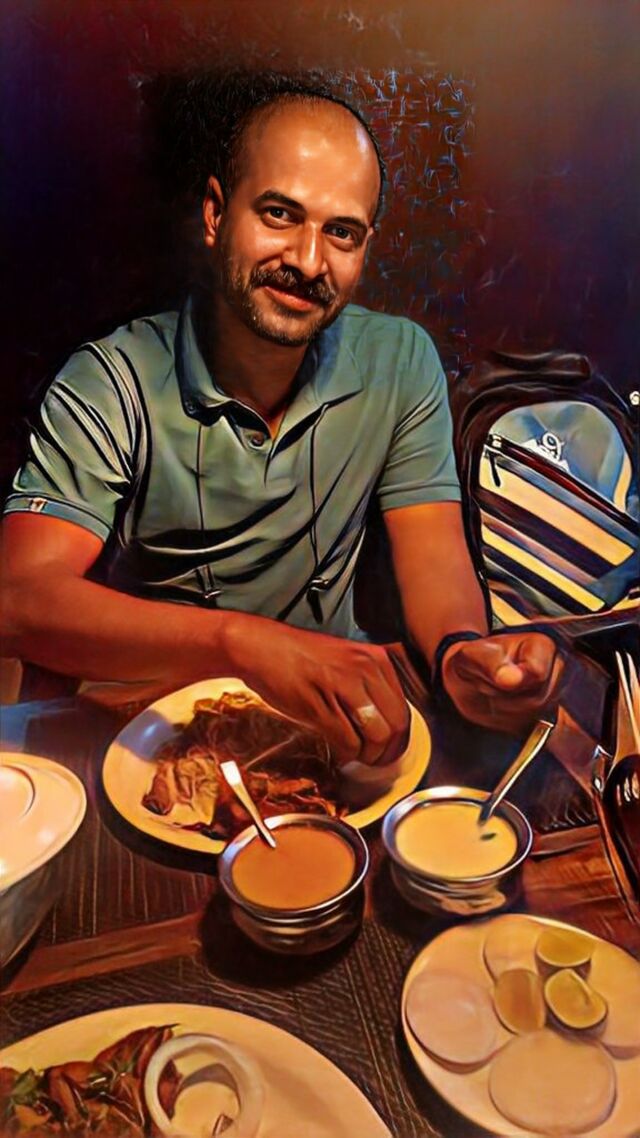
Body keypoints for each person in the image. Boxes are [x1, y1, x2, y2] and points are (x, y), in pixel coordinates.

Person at [1, 71, 564, 765]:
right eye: (278, 214)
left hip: (336, 728)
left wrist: (460, 655)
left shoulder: (400, 360)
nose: (307, 260)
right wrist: (243, 643)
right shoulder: (111, 379)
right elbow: (17, 601)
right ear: (216, 214)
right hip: (159, 725)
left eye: (341, 232)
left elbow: (434, 558)